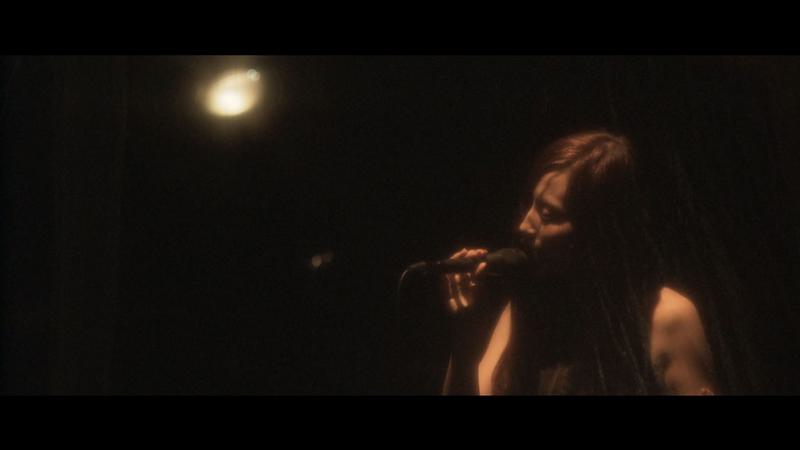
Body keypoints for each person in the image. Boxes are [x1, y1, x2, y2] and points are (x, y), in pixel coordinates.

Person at [440, 131, 717, 395]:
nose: (524, 225)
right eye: (530, 204)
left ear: (598, 232)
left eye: (547, 214)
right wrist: (465, 345)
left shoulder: (667, 317)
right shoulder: (524, 311)